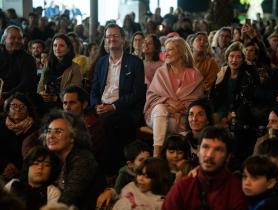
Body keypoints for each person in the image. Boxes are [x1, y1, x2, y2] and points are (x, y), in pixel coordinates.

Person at [90, 23, 145, 174]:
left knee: (109, 125)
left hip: (124, 109)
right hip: (101, 108)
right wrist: (96, 106)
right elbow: (93, 90)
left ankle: (110, 172)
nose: (111, 39)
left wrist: (113, 106)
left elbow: (137, 93)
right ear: (105, 41)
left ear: (123, 40)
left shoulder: (134, 62)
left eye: (115, 36)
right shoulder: (101, 62)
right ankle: (103, 171)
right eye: (108, 36)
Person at [144, 36, 204, 157]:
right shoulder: (161, 72)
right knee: (161, 109)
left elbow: (197, 101)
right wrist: (168, 102)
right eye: (165, 50)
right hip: (157, 117)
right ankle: (156, 154)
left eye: (170, 50)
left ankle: (185, 159)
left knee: (183, 123)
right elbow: (151, 97)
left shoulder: (194, 74)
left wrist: (181, 108)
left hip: (183, 117)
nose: (166, 53)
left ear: (181, 51)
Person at [162, 126, 248, 210]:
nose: (209, 155)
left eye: (218, 149)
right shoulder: (183, 187)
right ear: (198, 151)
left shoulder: (235, 189)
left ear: (228, 156)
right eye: (206, 147)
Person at [41, 110, 98, 210]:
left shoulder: (83, 158)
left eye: (58, 131)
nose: (51, 136)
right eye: (49, 131)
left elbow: (69, 199)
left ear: (73, 137)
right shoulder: (51, 158)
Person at [96, 140, 151, 209]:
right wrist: (110, 192)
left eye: (148, 159)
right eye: (141, 160)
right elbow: (117, 191)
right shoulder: (124, 172)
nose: (146, 163)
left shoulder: (153, 172)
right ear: (130, 164)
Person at [0, 93, 38, 182]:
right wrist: (5, 165)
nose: (18, 109)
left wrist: (16, 167)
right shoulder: (1, 125)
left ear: (28, 110)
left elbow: (33, 154)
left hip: (23, 171)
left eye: (22, 106)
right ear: (8, 109)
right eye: (14, 106)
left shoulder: (34, 129)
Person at [37, 33, 82, 107]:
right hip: (45, 103)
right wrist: (41, 94)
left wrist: (55, 98)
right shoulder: (48, 65)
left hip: (65, 106)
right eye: (55, 45)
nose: (57, 48)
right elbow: (40, 86)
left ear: (68, 48)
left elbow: (74, 93)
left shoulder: (75, 68)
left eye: (61, 46)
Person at [0, 25, 37, 102]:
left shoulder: (28, 59)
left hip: (19, 98)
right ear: (4, 40)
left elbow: (26, 84)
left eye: (20, 38)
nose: (17, 40)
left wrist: (5, 95)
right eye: (12, 38)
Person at [184, 98, 213, 162]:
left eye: (200, 114)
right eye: (191, 114)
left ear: (208, 120)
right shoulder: (182, 138)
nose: (194, 119)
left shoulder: (214, 142)